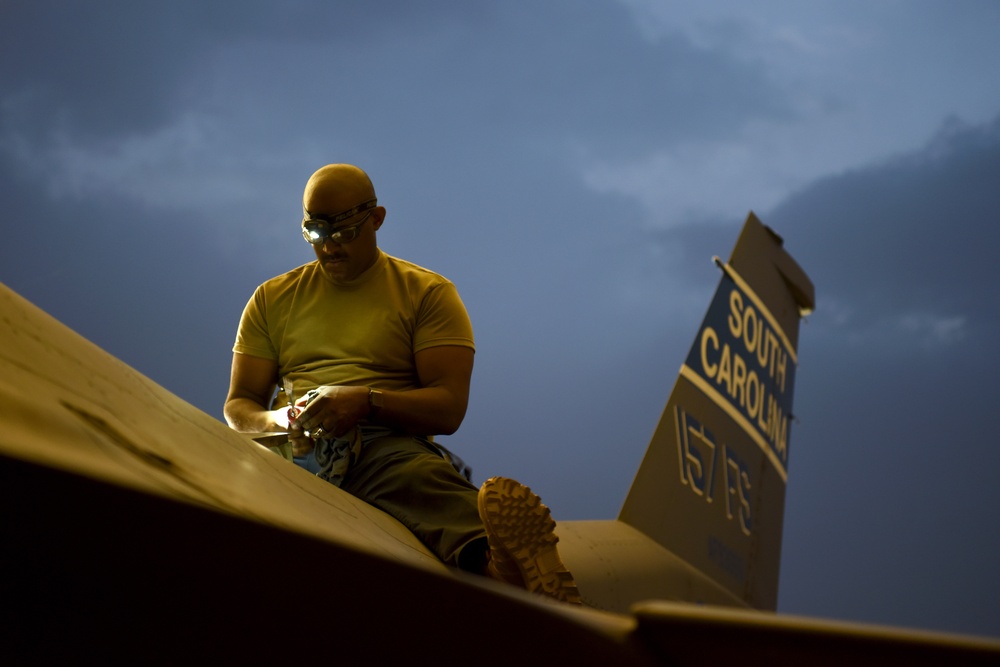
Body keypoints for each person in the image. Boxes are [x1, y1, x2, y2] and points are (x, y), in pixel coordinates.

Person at [224, 164, 581, 605]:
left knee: (419, 479)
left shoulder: (427, 295)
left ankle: (505, 568)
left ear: (376, 219)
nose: (330, 246)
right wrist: (282, 419)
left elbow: (448, 408)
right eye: (316, 232)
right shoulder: (271, 299)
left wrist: (365, 402)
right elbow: (239, 406)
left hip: (378, 446)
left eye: (345, 231)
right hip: (286, 449)